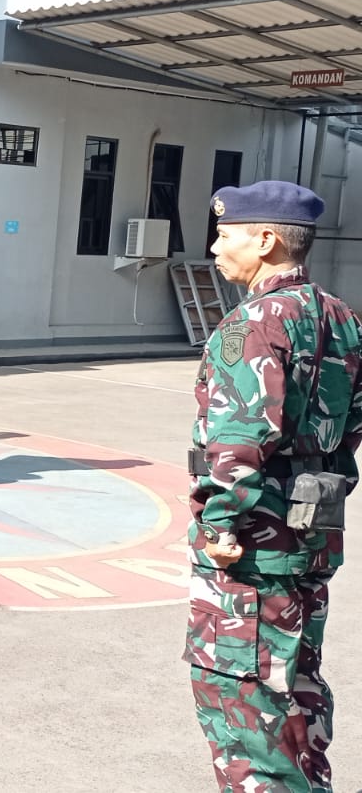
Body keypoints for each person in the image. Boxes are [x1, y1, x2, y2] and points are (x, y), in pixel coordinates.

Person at [185, 180, 362, 793]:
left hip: (253, 550)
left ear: (265, 241)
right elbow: (351, 425)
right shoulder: (341, 317)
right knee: (297, 696)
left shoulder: (255, 323)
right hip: (309, 536)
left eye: (224, 235)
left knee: (246, 710)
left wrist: (217, 523)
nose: (214, 248)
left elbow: (238, 438)